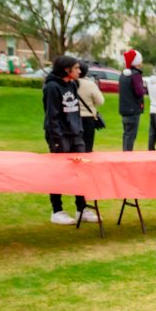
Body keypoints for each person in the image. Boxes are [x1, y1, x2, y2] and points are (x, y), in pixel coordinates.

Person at [44, 56, 96, 225]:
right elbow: (52, 116)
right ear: (67, 70)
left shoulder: (72, 85)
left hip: (75, 135)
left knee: (81, 171)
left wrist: (79, 130)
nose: (80, 71)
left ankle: (82, 208)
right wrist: (57, 140)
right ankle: (57, 210)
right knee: (59, 173)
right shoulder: (52, 87)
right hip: (60, 137)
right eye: (76, 68)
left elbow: (75, 111)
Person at [118, 49, 145, 151]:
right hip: (133, 109)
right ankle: (128, 155)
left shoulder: (123, 75)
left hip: (124, 109)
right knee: (131, 135)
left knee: (126, 134)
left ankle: (125, 152)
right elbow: (139, 92)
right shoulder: (135, 75)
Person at [76, 62, 105, 153]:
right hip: (87, 117)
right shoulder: (90, 84)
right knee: (87, 146)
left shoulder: (69, 83)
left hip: (72, 117)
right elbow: (100, 101)